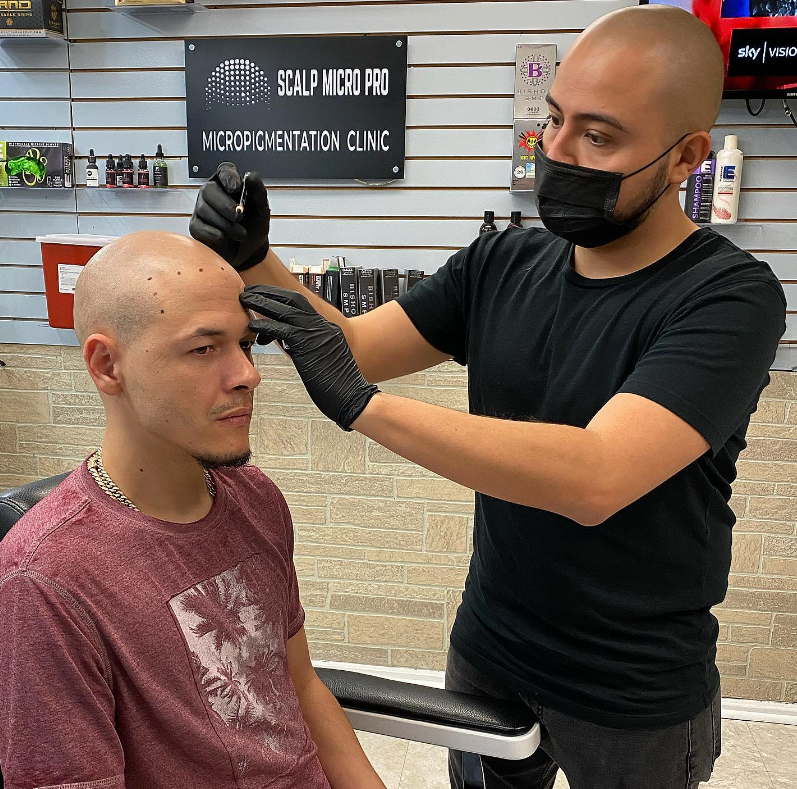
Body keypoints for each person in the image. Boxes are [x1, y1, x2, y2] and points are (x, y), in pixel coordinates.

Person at [189, 6, 787, 788]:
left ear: (686, 157)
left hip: (632, 681)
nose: (559, 152)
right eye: (554, 121)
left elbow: (595, 476)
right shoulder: (503, 260)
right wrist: (257, 260)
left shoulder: (728, 298)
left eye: (599, 137)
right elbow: (358, 347)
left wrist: (362, 407)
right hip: (492, 640)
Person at [0, 232, 387, 789]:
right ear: (107, 365)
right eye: (204, 349)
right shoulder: (46, 581)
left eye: (247, 345)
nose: (248, 375)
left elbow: (300, 686)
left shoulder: (256, 499)